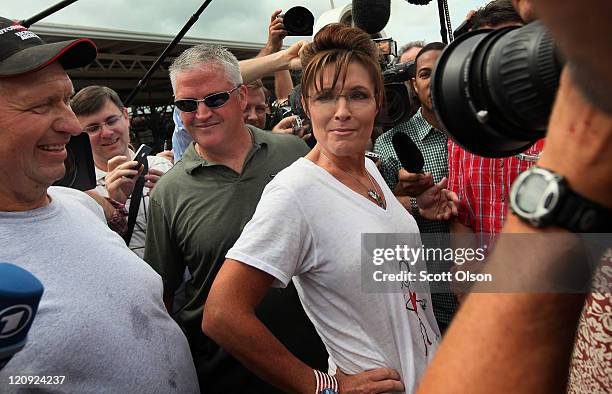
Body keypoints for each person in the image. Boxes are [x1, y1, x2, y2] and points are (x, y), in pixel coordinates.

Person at [203, 24, 459, 394]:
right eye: (325, 97)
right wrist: (323, 386)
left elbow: (353, 235)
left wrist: (417, 205)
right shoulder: (294, 192)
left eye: (357, 95)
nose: (342, 112)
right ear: (306, 104)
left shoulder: (369, 167)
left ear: (377, 102)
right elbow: (222, 314)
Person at [416, 1, 612, 392]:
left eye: (518, 45)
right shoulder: (472, 134)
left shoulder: (584, 117)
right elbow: (464, 224)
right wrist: (480, 308)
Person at [0, 16, 198, 392]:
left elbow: (101, 204)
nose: (74, 127)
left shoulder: (78, 204)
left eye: (65, 99)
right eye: (41, 105)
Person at [144, 42, 327, 393]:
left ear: (242, 97)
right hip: (230, 376)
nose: (201, 114)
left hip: (319, 358)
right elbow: (162, 296)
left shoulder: (292, 153)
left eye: (214, 99)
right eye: (186, 105)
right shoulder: (168, 192)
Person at [374, 42, 458, 332]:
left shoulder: (487, 134)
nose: (434, 82)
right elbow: (374, 219)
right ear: (413, 83)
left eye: (442, 72)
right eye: (425, 74)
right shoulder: (388, 145)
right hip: (430, 308)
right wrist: (403, 196)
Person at [71, 85, 172, 258]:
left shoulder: (162, 167)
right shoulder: (80, 192)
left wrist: (172, 203)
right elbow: (86, 253)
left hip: (176, 282)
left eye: (111, 121)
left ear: (126, 116)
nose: (107, 133)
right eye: (93, 128)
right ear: (79, 135)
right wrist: (113, 205)